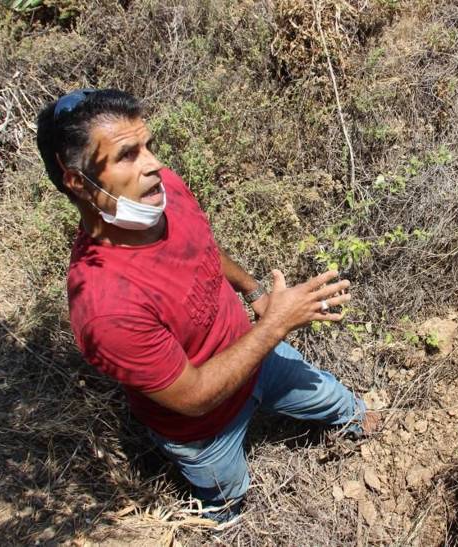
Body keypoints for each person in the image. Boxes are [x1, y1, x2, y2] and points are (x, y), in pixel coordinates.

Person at [35, 88, 376, 522]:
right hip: (205, 431)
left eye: (148, 146)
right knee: (227, 494)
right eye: (127, 155)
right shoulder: (106, 309)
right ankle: (222, 514)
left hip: (258, 355)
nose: (153, 165)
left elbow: (203, 245)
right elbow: (194, 398)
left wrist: (254, 293)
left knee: (334, 398)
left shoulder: (161, 191)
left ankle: (360, 422)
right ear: (79, 182)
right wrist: (276, 325)